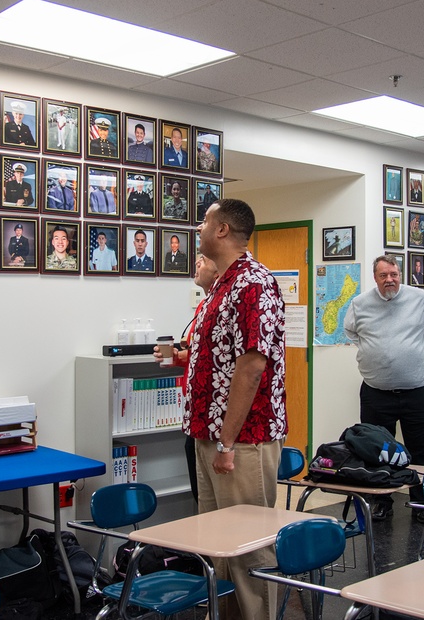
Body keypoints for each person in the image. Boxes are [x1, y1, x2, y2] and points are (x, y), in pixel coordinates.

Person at [181, 198, 285, 620]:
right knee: (217, 547)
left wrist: (226, 440)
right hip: (210, 435)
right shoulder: (221, 284)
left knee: (249, 550)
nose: (199, 228)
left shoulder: (253, 283)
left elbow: (252, 366)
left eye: (205, 220)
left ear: (222, 230)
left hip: (240, 440)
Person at [343, 255, 424, 523]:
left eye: (394, 274)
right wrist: (373, 351)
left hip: (417, 392)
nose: (390, 280)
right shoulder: (360, 303)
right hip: (377, 393)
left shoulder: (419, 298)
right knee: (377, 451)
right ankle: (382, 503)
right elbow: (350, 332)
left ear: (401, 274)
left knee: (420, 451)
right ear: (375, 278)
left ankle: (420, 503)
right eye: (384, 275)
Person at [156, 253, 220, 504]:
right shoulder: (204, 305)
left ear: (217, 272)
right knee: (201, 494)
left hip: (214, 416)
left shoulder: (220, 304)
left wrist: (183, 356)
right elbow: (198, 353)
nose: (196, 264)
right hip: (195, 413)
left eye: (203, 261)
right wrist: (175, 356)